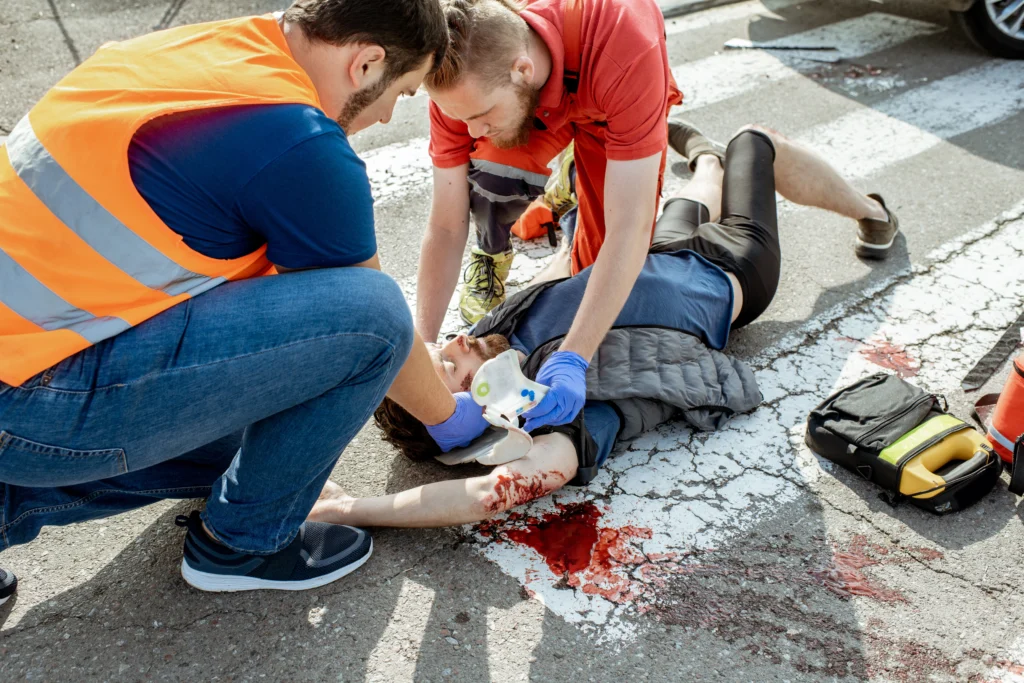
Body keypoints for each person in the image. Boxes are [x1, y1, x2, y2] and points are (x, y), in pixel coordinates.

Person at [0, 0, 456, 596]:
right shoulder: (297, 142)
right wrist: (454, 420)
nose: (389, 115)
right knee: (372, 317)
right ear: (367, 63)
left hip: (27, 362)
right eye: (404, 91)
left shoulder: (206, 51)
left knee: (264, 447)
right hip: (28, 403)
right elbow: (369, 335)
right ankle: (242, 547)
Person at [309, 123, 902, 528]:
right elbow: (488, 493)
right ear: (466, 411)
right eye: (449, 365)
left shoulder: (492, 337)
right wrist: (353, 509)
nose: (457, 341)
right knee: (758, 141)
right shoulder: (562, 415)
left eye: (440, 347)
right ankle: (874, 213)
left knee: (691, 197)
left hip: (647, 253)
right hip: (732, 271)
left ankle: (703, 159)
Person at [414, 0, 687, 451]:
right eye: (461, 117)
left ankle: (571, 180)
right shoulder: (463, 82)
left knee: (600, 270)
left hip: (602, 91)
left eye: (479, 114)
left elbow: (630, 229)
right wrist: (421, 348)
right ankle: (504, 233)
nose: (471, 129)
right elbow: (445, 224)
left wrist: (572, 358)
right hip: (532, 96)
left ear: (522, 70)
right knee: (488, 178)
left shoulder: (626, 49)